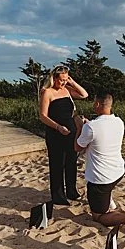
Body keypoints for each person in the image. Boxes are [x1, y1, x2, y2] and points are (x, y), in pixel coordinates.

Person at [75, 93, 125, 238]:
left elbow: (78, 147)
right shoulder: (119, 122)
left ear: (98, 105)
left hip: (101, 179)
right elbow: (102, 135)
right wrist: (87, 125)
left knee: (98, 217)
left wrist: (79, 128)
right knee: (106, 189)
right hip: (118, 171)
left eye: (94, 103)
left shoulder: (91, 127)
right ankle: (109, 203)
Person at [39, 66, 88, 207]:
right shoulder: (47, 92)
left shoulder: (66, 90)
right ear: (54, 78)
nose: (63, 82)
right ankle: (58, 195)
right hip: (55, 133)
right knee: (57, 164)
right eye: (61, 80)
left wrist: (72, 83)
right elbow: (43, 116)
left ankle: (71, 191)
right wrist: (58, 127)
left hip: (71, 132)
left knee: (71, 162)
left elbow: (84, 95)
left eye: (66, 79)